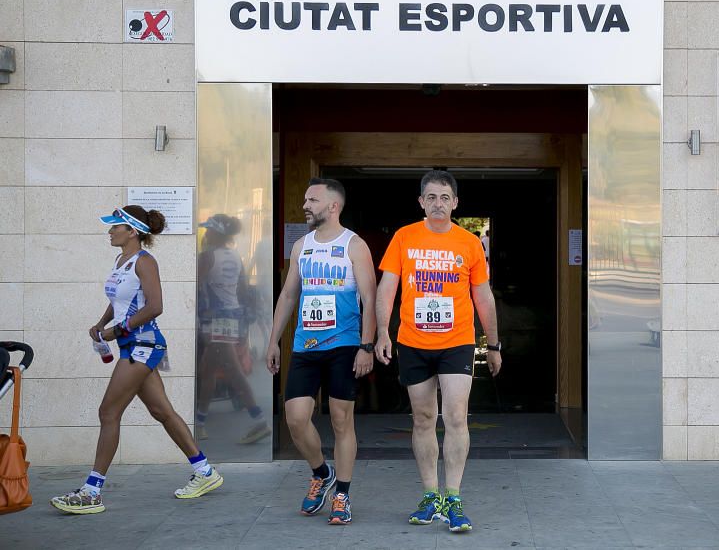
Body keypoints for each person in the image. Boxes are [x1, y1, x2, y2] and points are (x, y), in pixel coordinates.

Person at [50, 206, 223, 515]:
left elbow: (155, 306)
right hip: (134, 343)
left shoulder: (145, 262)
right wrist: (100, 325)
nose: (110, 231)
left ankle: (92, 491)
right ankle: (205, 472)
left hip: (143, 344)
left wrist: (118, 330)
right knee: (162, 412)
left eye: (115, 226)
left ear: (132, 231)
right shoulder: (121, 261)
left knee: (108, 412)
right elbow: (118, 301)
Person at [374, 170, 501, 533]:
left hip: (457, 341)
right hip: (413, 342)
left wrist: (492, 344)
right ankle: (431, 496)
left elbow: (483, 295)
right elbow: (386, 288)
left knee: (457, 417)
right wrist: (383, 332)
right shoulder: (404, 237)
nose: (438, 204)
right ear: (421, 202)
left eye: (445, 197)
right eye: (431, 197)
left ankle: (454, 497)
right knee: (423, 419)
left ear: (456, 203)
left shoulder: (469, 243)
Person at [267, 178, 377, 525]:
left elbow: (370, 299)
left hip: (344, 345)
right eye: (305, 198)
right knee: (296, 419)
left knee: (342, 420)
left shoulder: (354, 245)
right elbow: (287, 296)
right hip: (305, 345)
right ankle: (321, 472)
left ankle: (342, 493)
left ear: (333, 206)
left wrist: (367, 345)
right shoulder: (302, 246)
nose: (305, 205)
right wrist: (274, 341)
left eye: (312, 199)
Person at [195, 214, 270, 445]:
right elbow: (243, 289)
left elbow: (194, 287)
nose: (205, 234)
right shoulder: (235, 256)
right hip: (232, 317)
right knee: (207, 372)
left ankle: (259, 421)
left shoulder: (206, 257)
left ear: (216, 234)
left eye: (209, 230)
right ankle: (199, 424)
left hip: (215, 320)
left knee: (233, 371)